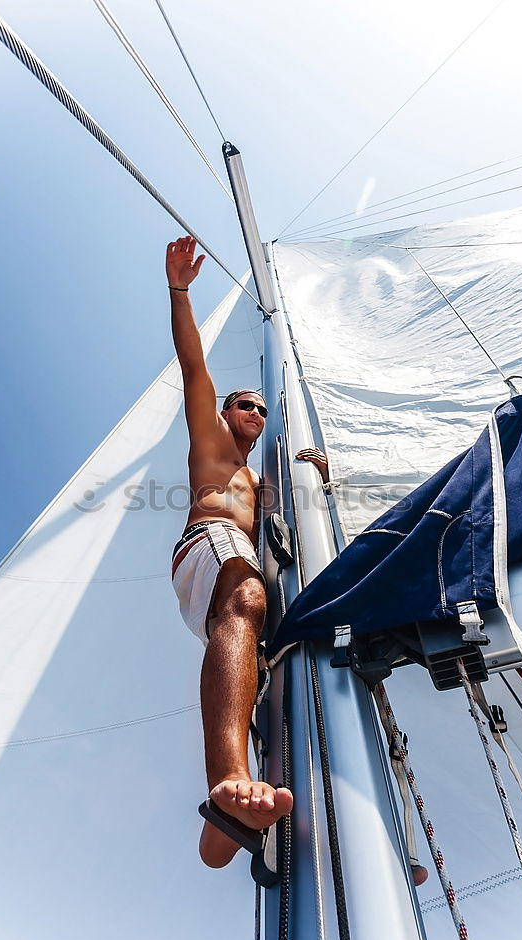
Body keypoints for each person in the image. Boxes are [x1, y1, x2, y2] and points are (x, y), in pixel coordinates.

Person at [167, 236, 330, 869]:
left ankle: (231, 832)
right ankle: (228, 784)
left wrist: (315, 471)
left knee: (266, 672)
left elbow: (292, 519)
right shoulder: (210, 441)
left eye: (262, 409)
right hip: (211, 552)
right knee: (247, 592)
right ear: (227, 411)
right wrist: (180, 290)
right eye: (247, 404)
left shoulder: (263, 484)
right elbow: (193, 366)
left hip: (239, 579)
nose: (256, 413)